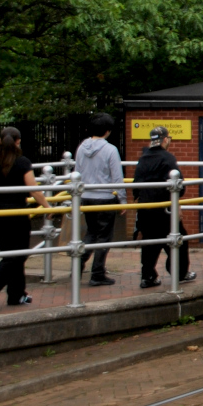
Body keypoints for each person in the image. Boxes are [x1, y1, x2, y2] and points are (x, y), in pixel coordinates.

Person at [0, 127, 50, 307]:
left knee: (11, 255)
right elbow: (33, 189)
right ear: (18, 141)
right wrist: (47, 206)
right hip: (18, 213)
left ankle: (16, 295)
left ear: (0, 141)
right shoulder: (22, 161)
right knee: (18, 254)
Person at [132, 126, 196, 288]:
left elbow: (136, 186)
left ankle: (148, 276)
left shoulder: (143, 158)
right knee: (179, 239)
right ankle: (180, 273)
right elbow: (178, 187)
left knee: (149, 243)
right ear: (165, 140)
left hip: (146, 208)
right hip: (164, 208)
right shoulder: (167, 158)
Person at [75, 113, 126, 287]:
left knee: (91, 232)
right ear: (107, 131)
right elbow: (117, 177)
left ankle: (78, 262)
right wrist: (122, 199)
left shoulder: (82, 147)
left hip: (86, 197)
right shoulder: (110, 150)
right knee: (104, 236)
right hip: (104, 198)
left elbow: (77, 172)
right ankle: (97, 274)